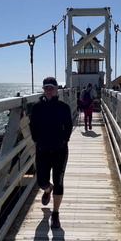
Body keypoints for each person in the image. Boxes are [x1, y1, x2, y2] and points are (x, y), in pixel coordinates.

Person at [30, 77, 73, 229]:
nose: (49, 90)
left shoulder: (64, 107)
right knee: (41, 181)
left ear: (56, 90)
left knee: (59, 180)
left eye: (52, 87)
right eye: (46, 87)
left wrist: (64, 140)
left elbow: (69, 125)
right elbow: (32, 126)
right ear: (43, 89)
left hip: (60, 150)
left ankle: (55, 213)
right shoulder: (36, 107)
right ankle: (48, 189)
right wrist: (37, 140)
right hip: (42, 149)